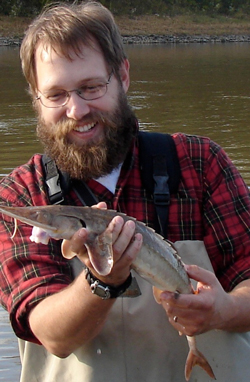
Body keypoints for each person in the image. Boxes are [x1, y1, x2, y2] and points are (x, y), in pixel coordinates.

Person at [1, 2, 250, 381]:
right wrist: (103, 281)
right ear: (36, 99)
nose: (77, 110)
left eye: (91, 87)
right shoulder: (21, 192)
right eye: (56, 95)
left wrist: (223, 310)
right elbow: (51, 334)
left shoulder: (199, 163)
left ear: (123, 76)